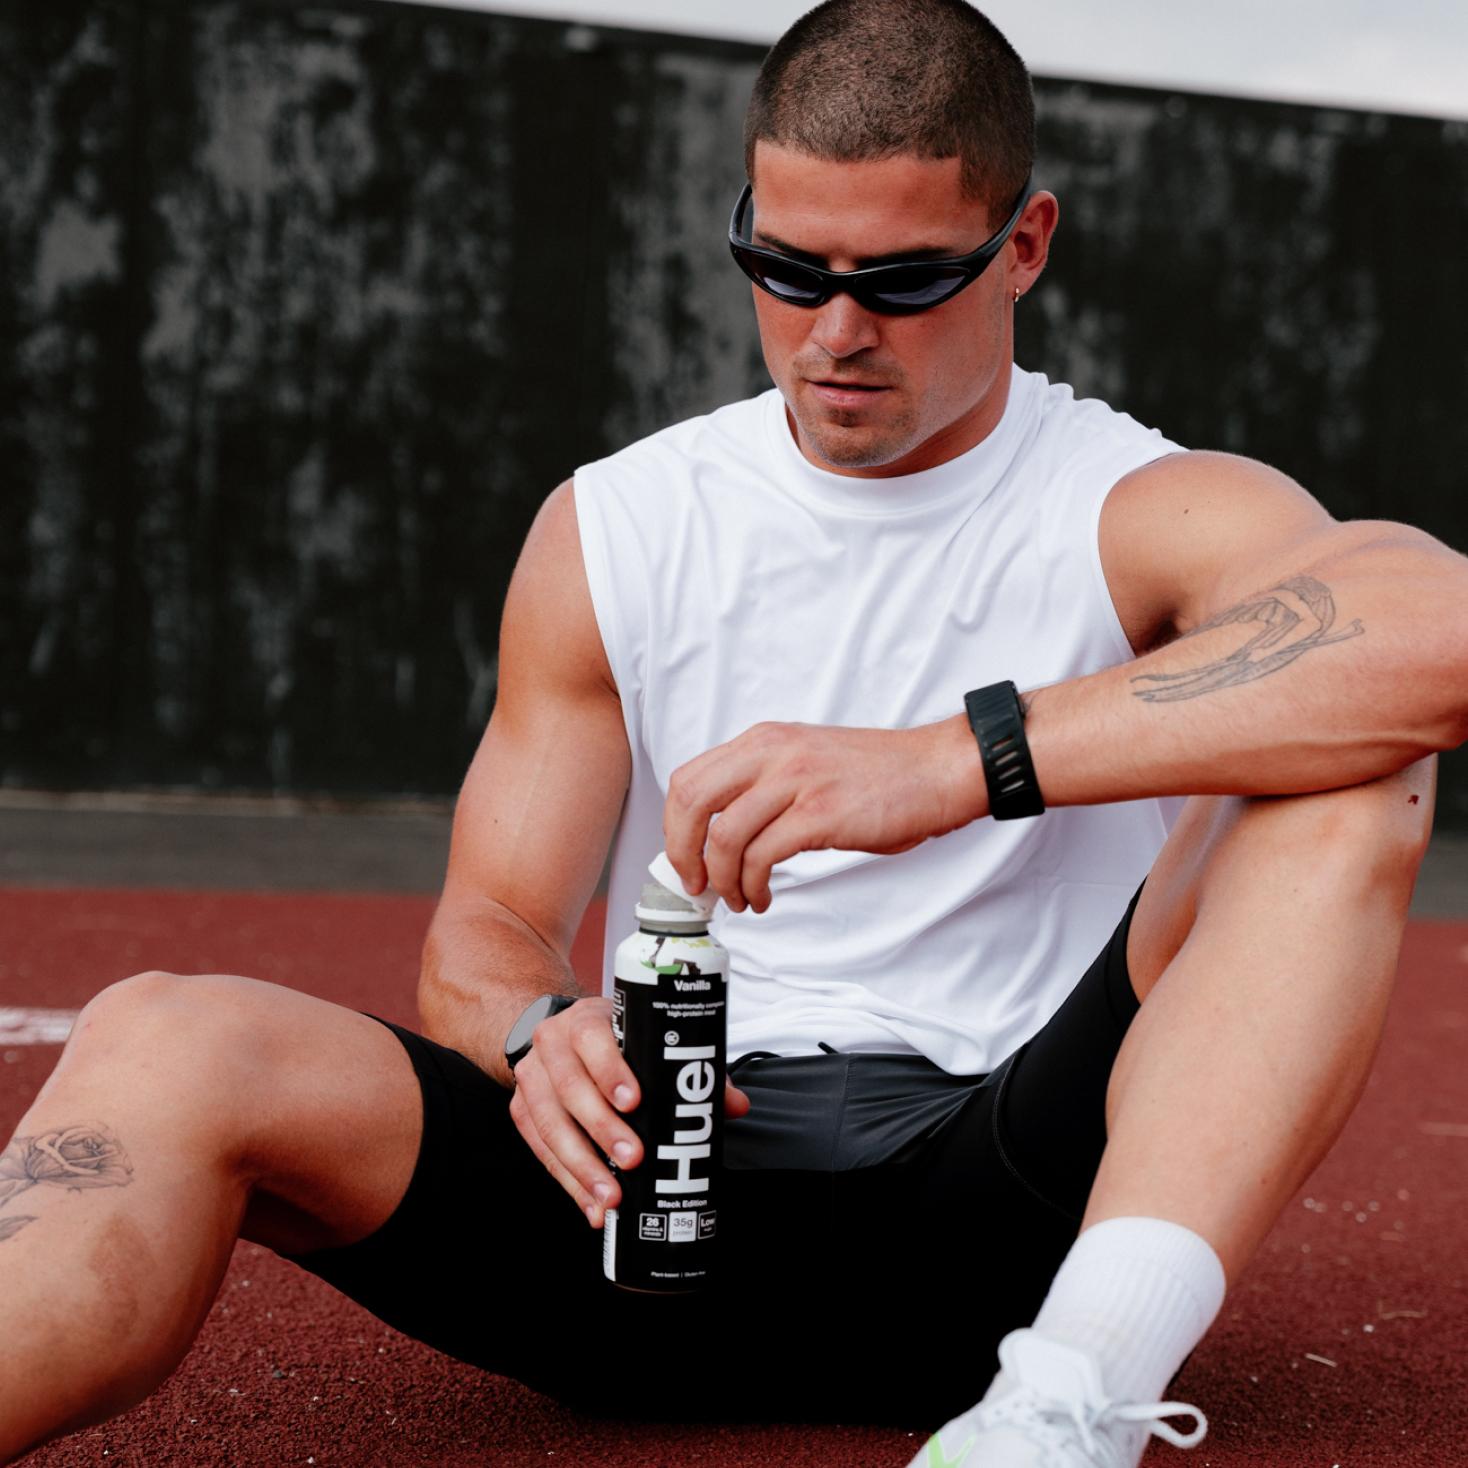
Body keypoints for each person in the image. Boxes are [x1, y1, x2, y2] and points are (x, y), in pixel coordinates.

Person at [1, 1, 1461, 1463]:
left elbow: (1432, 637)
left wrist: (950, 765)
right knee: (164, 1034)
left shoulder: (1136, 502)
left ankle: (1071, 1403)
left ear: (1023, 245)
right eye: (787, 267)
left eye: (903, 279)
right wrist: (533, 1031)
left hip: (1006, 1213)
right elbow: (489, 929)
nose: (835, 333)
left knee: (1347, 766)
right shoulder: (621, 523)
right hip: (650, 1200)